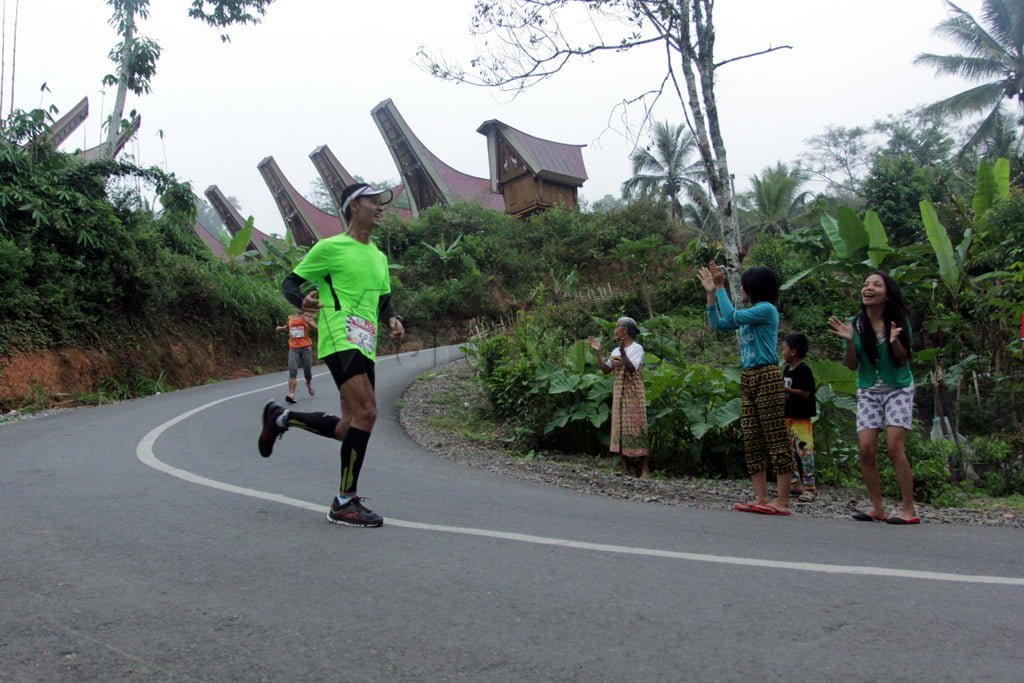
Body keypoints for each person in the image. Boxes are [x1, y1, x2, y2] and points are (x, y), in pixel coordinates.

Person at [257, 182, 405, 527]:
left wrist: (394, 319)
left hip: (365, 342)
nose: (380, 207)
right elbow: (290, 283)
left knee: (347, 426)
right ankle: (344, 501)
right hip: (339, 336)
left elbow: (383, 301)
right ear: (354, 206)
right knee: (368, 412)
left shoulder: (379, 257)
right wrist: (301, 301)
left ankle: (282, 418)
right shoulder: (330, 248)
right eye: (373, 201)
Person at [699, 262, 792, 515]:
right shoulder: (752, 314)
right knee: (752, 437)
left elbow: (730, 317)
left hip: (767, 375)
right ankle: (761, 498)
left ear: (754, 287)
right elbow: (718, 324)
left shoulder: (766, 310)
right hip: (749, 376)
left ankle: (782, 501)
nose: (740, 289)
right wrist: (711, 293)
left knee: (775, 436)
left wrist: (720, 288)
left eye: (742, 286)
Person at [828, 270, 918, 525]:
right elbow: (851, 366)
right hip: (868, 389)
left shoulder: (899, 321)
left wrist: (895, 341)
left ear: (887, 295)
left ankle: (908, 510)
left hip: (897, 388)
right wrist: (848, 342)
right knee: (866, 449)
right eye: (866, 284)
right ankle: (877, 508)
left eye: (876, 285)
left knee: (893, 448)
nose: (869, 288)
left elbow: (903, 359)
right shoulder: (854, 323)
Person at [588, 317, 649, 478]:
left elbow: (631, 369)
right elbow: (606, 370)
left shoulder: (637, 349)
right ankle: (624, 466)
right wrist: (598, 352)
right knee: (620, 425)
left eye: (617, 328)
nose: (614, 331)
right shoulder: (615, 351)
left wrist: (623, 351)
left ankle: (644, 467)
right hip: (619, 392)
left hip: (634, 393)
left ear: (625, 330)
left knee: (638, 425)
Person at [782, 332, 817, 503]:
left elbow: (806, 392)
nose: (782, 352)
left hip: (801, 418)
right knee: (789, 451)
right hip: (787, 416)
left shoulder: (804, 370)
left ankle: (810, 487)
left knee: (804, 451)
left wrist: (788, 391)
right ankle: (794, 483)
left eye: (784, 349)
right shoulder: (787, 369)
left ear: (793, 352)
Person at [276, 308, 317, 404]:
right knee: (293, 371)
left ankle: (308, 383)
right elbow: (288, 328)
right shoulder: (290, 317)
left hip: (306, 348)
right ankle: (292, 394)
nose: (299, 308)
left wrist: (309, 322)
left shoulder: (308, 318)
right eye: (297, 306)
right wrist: (281, 328)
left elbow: (316, 329)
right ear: (294, 308)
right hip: (293, 348)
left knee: (307, 372)